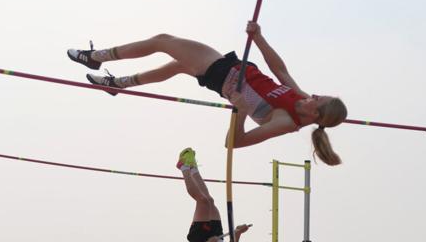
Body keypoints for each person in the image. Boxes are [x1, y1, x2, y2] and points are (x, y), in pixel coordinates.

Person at [67, 25, 346, 164]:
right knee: (176, 66)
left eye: (318, 100)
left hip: (222, 75)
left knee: (163, 41)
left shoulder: (286, 122)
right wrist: (259, 38)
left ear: (316, 114)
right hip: (232, 68)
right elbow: (280, 70)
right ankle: (118, 85)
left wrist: (239, 111)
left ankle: (95, 57)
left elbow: (235, 142)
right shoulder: (300, 99)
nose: (315, 95)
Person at [174, 148, 273, 242]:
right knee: (210, 200)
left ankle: (183, 166)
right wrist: (238, 234)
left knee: (202, 201)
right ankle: (193, 168)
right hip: (217, 237)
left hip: (202, 241)